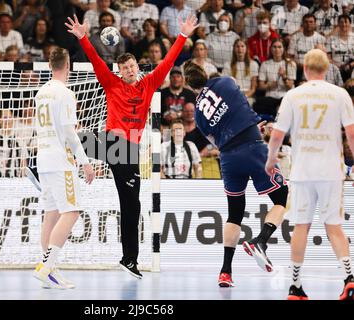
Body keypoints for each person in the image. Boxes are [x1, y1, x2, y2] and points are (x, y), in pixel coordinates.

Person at [65, 13, 198, 278]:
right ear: (119, 71)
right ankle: (44, 160)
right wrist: (82, 37)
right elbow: (96, 61)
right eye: (124, 68)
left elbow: (169, 61)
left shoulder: (149, 84)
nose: (128, 71)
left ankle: (128, 259)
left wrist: (182, 35)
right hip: (117, 145)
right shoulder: (111, 82)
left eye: (132, 66)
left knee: (131, 206)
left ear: (137, 66)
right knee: (77, 140)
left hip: (128, 153)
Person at [183, 61, 289, 288]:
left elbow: (216, 140)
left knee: (234, 214)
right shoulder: (225, 82)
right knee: (283, 198)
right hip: (252, 147)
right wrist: (253, 126)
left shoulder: (199, 113)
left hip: (229, 159)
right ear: (207, 72)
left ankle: (225, 272)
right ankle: (260, 241)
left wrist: (249, 125)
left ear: (190, 87)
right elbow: (241, 105)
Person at [265, 48, 354, 300]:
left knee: (300, 227)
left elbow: (278, 134)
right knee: (334, 226)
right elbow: (351, 133)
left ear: (304, 69)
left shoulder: (293, 95)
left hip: (303, 170)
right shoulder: (340, 94)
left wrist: (271, 160)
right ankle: (349, 279)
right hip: (330, 171)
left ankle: (295, 287)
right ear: (327, 70)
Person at [32, 46, 95, 289]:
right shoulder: (65, 93)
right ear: (68, 66)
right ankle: (46, 266)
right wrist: (85, 162)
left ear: (49, 65)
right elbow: (69, 132)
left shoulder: (41, 92)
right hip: (60, 160)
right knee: (72, 211)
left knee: (52, 212)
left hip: (43, 158)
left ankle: (50, 271)